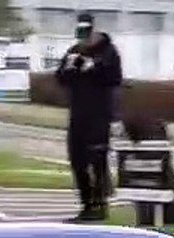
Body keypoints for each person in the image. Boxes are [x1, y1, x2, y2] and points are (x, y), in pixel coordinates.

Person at [55, 12, 123, 222]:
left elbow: (115, 78)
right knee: (78, 160)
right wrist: (69, 68)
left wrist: (94, 68)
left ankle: (100, 204)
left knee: (97, 160)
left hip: (99, 115)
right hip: (78, 114)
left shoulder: (108, 52)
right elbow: (61, 79)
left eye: (87, 33)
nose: (84, 39)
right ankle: (86, 204)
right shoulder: (74, 51)